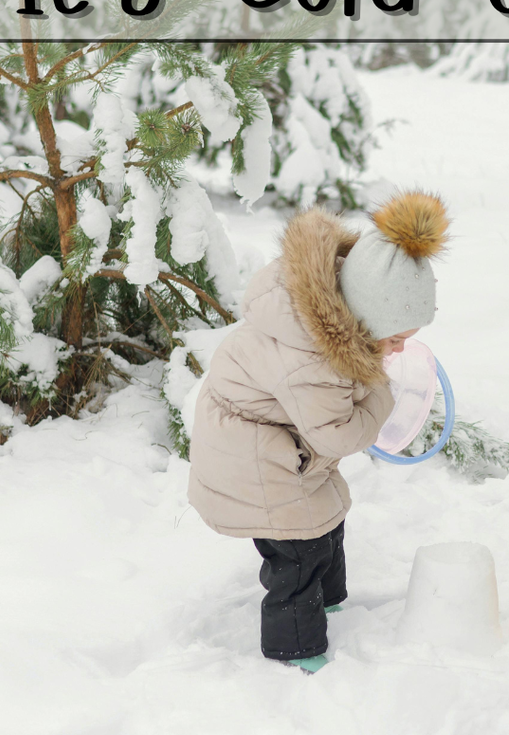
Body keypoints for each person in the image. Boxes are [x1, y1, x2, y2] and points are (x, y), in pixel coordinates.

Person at [188, 190, 450, 672]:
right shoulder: (312, 358)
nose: (395, 351)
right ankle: (296, 651)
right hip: (252, 460)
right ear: (365, 316)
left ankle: (331, 603)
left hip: (280, 444)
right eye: (394, 340)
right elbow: (338, 434)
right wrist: (383, 394)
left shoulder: (336, 327)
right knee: (298, 554)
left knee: (327, 521)